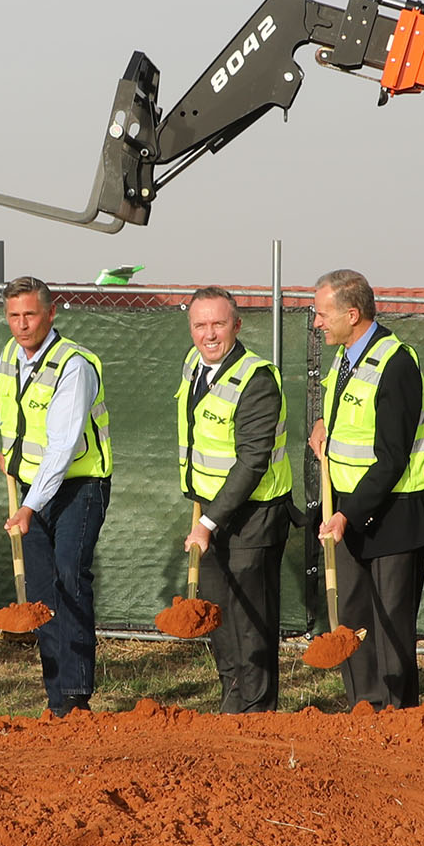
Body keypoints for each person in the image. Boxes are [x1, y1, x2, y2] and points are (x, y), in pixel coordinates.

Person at [307, 269, 424, 710]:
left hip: (392, 517)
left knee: (389, 624)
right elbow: (352, 418)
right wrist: (325, 426)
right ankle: (363, 706)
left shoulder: (397, 363)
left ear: (352, 314)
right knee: (351, 619)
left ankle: (396, 714)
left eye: (322, 314)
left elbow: (393, 455)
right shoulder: (345, 358)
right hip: (346, 513)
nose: (317, 323)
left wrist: (347, 513)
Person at [0, 278, 113, 717]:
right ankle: (55, 699)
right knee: (41, 592)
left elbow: (63, 446)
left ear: (51, 313)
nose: (22, 325)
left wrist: (30, 507)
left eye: (30, 315)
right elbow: (15, 415)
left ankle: (77, 694)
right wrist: (10, 456)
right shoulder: (10, 356)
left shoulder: (73, 365)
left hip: (79, 486)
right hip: (31, 485)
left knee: (70, 577)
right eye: (14, 316)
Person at [175, 287, 292, 716]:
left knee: (250, 619)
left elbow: (252, 461)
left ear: (237, 326)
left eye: (218, 324)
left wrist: (208, 523)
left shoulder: (256, 379)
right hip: (209, 512)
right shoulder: (194, 365)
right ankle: (232, 700)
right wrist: (203, 515)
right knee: (218, 615)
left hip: (252, 517)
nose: (209, 334)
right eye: (200, 325)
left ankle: (258, 711)